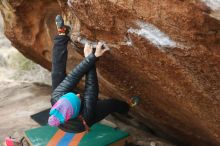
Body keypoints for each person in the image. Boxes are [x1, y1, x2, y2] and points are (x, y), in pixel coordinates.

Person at [48, 15, 140, 133]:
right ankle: (127, 107)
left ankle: (62, 34)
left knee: (57, 73)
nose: (78, 95)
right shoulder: (87, 113)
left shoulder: (57, 96)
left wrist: (90, 58)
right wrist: (91, 57)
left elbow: (73, 77)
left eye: (74, 96)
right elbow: (91, 88)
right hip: (79, 124)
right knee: (110, 104)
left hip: (65, 109)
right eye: (78, 99)